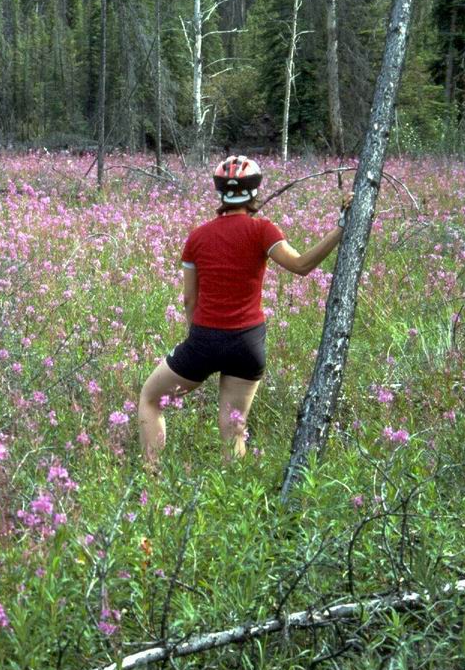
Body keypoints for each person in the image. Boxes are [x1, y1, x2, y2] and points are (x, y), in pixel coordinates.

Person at [138, 155, 351, 465]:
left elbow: (189, 299)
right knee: (234, 430)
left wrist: (195, 338)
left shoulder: (197, 237)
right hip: (247, 344)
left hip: (204, 341)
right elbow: (301, 265)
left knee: (150, 398)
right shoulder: (262, 230)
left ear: (219, 192)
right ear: (254, 191)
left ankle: (152, 476)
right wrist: (340, 229)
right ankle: (234, 491)